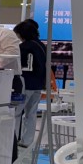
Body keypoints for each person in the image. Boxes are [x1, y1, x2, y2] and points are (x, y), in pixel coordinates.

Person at [15, 19, 47, 148]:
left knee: (17, 113)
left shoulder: (24, 47)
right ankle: (27, 141)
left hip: (25, 84)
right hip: (38, 85)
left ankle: (13, 139)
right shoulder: (41, 45)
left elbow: (18, 65)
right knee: (31, 114)